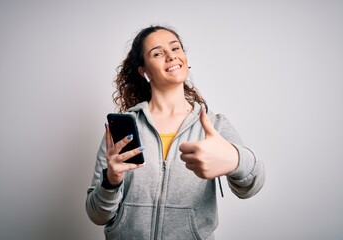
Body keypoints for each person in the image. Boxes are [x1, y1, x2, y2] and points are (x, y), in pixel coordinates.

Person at [86, 25, 265, 240]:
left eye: (176, 48)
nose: (171, 56)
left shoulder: (214, 125)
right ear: (144, 71)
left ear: (185, 59)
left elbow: (252, 185)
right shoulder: (122, 130)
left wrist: (235, 159)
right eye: (158, 53)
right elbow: (97, 214)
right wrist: (111, 181)